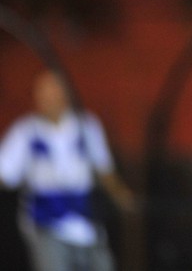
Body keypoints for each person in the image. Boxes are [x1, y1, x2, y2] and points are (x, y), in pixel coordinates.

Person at [0, 70, 135, 271]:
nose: (47, 98)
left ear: (65, 94)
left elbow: (104, 169)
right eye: (42, 93)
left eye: (52, 91)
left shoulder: (86, 125)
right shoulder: (25, 131)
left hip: (87, 221)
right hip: (46, 223)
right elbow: (5, 174)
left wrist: (120, 194)